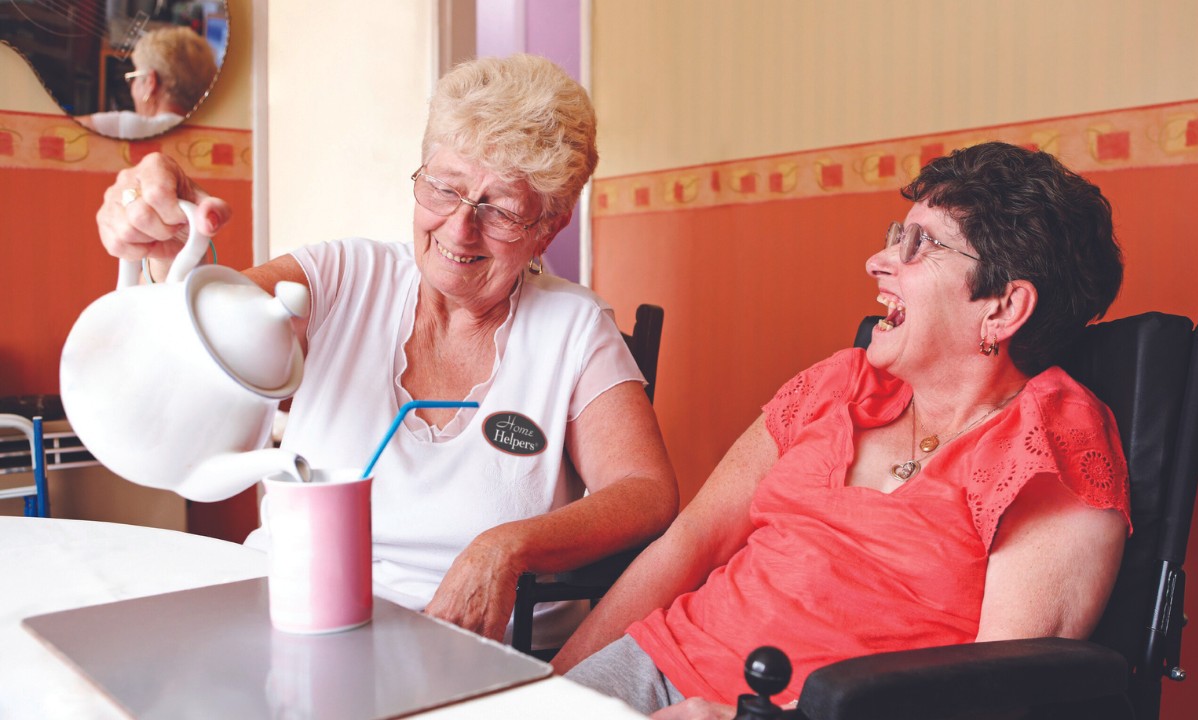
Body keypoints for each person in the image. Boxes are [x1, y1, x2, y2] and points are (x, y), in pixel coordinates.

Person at [94, 54, 679, 651]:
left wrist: (507, 546)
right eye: (444, 189)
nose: (458, 230)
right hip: (296, 619)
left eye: (500, 209)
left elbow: (644, 489)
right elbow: (207, 335)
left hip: (476, 653)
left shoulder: (573, 328)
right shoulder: (340, 275)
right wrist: (167, 247)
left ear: (548, 227)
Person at [555, 142, 1130, 717]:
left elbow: (996, 693)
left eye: (920, 244)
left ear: (1003, 309)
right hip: (657, 660)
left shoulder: (1053, 443)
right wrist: (551, 685)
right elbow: (692, 541)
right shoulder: (840, 382)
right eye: (896, 235)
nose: (877, 262)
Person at [79, 26, 218, 139]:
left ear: (151, 82)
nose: (132, 86)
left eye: (135, 77)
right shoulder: (212, 135)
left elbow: (62, 129)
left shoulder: (130, 128)